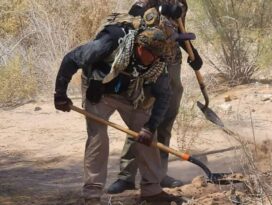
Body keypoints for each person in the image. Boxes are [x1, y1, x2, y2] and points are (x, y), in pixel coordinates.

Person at [54, 15, 186, 204]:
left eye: (159, 55)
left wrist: (150, 127)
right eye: (153, 54)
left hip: (132, 92)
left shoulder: (158, 64)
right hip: (99, 90)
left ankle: (152, 190)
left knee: (148, 136)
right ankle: (92, 193)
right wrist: (60, 93)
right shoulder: (110, 42)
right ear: (140, 47)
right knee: (97, 136)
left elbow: (164, 96)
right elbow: (71, 59)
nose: (156, 58)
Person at [107, 0, 203, 194]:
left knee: (166, 118)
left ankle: (159, 174)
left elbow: (176, 31)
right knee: (142, 119)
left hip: (172, 63)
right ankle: (126, 176)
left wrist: (193, 53)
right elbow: (133, 17)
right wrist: (160, 9)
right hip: (148, 64)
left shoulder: (182, 2)